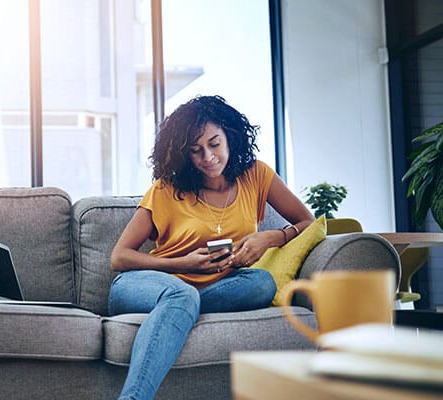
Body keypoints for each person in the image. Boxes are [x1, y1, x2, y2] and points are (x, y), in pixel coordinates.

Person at [108, 95, 314, 400]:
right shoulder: (166, 190)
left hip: (220, 289)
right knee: (182, 294)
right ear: (183, 154)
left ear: (229, 136)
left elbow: (308, 222)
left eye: (214, 143)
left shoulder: (256, 175)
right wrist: (184, 264)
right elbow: (119, 257)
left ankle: (181, 312)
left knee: (262, 283)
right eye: (196, 150)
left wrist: (271, 237)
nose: (208, 156)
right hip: (148, 286)